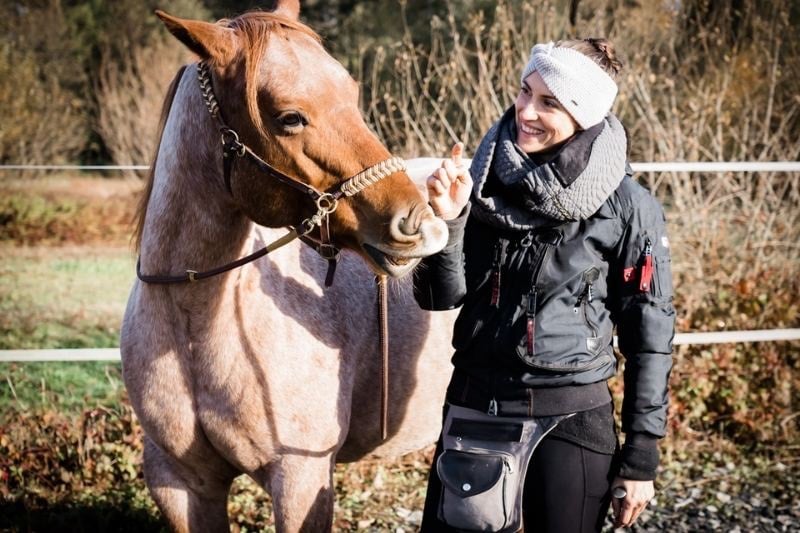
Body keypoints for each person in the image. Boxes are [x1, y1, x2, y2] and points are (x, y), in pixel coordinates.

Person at [414, 38, 675, 532]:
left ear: (584, 113)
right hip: (474, 410)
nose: (525, 111)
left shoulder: (627, 205)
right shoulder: (481, 183)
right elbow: (439, 297)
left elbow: (650, 336)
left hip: (571, 420)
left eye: (549, 101)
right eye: (524, 91)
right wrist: (447, 224)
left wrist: (642, 455)